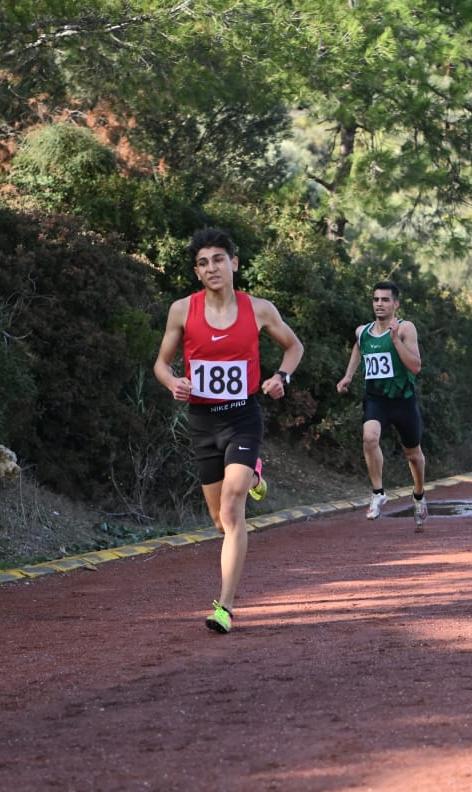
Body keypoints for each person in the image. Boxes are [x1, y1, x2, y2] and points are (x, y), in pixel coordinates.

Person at [153, 228, 304, 634]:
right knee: (219, 522)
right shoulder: (182, 310)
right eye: (203, 263)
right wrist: (174, 384)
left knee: (234, 508)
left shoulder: (259, 309)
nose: (211, 268)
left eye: (218, 259)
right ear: (197, 272)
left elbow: (294, 347)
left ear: (234, 263)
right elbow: (161, 364)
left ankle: (226, 607)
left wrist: (281, 379)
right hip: (203, 423)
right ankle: (255, 472)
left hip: (242, 417)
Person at [336, 281, 428, 529]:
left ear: (395, 304)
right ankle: (378, 492)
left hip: (403, 400)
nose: (379, 304)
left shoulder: (406, 328)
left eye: (385, 300)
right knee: (369, 437)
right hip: (376, 399)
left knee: (414, 455)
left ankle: (419, 496)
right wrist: (348, 376)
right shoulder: (362, 331)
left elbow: (416, 367)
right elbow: (358, 348)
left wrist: (396, 340)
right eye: (376, 299)